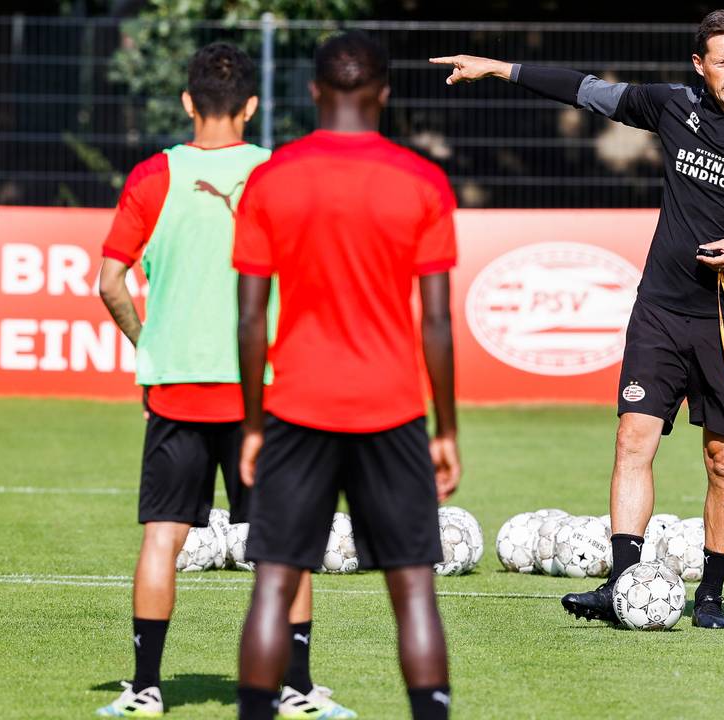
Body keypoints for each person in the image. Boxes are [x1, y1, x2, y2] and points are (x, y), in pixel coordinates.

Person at [430, 8, 724, 630]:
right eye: (721, 62)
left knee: (723, 459)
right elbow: (585, 89)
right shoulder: (671, 105)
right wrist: (500, 68)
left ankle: (711, 596)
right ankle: (622, 585)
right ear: (699, 65)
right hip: (660, 310)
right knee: (632, 439)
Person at [95, 41, 354, 719]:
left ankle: (145, 690)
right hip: (263, 395)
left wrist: (147, 338)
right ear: (252, 105)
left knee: (162, 537)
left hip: (177, 386)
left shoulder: (153, 176)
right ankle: (295, 691)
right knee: (284, 544)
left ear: (186, 102)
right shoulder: (283, 175)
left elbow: (109, 282)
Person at [232, 31, 460, 720]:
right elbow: (438, 323)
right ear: (384, 93)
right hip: (391, 411)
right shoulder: (423, 182)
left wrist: (249, 422)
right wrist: (446, 428)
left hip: (296, 407)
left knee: (274, 583)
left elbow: (248, 320)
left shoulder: (271, 179)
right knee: (414, 588)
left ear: (312, 92)